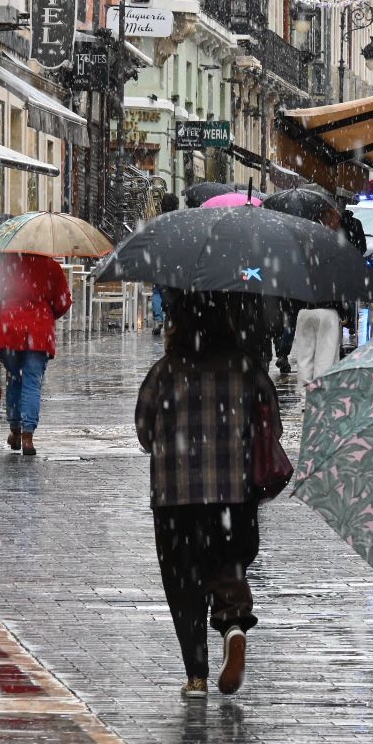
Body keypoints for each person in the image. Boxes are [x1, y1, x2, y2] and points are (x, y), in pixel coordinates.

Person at [135, 292, 280, 698]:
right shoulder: (245, 368)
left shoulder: (164, 372)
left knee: (183, 582)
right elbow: (273, 426)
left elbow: (145, 433)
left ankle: (196, 676)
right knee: (227, 565)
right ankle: (234, 627)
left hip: (174, 496)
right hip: (233, 494)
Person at [0, 251, 72, 455]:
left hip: (9, 330)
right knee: (32, 383)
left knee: (14, 380)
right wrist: (47, 313)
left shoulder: (4, 265)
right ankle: (28, 437)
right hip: (39, 332)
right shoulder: (51, 267)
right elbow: (63, 302)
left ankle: (14, 431)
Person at [150, 194, 180, 336]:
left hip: (158, 261)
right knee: (173, 291)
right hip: (174, 261)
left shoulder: (157, 222)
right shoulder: (179, 221)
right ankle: (172, 316)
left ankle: (158, 319)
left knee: (157, 291)